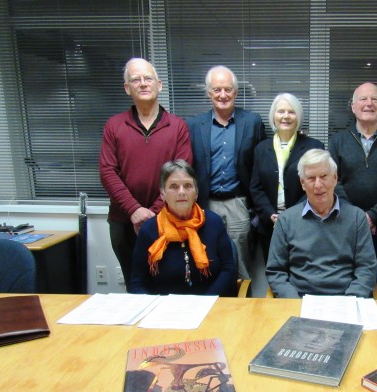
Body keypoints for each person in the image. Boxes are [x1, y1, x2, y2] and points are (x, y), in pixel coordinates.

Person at [100, 57, 193, 288]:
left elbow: (180, 175)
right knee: (135, 283)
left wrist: (152, 213)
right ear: (127, 88)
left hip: (167, 219)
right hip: (123, 221)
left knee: (169, 281)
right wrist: (134, 210)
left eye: (148, 78)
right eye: (136, 79)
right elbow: (107, 171)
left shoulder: (177, 126)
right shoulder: (114, 125)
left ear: (159, 85)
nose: (143, 83)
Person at [328, 82, 377, 297]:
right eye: (363, 99)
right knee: (347, 279)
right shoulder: (338, 141)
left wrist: (372, 216)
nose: (368, 104)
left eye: (374, 100)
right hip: (345, 220)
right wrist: (357, 215)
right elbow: (334, 181)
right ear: (353, 107)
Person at [187, 65, 266, 280]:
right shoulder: (194, 125)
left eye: (228, 89)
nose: (223, 95)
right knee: (207, 264)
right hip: (204, 204)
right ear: (208, 93)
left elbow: (261, 166)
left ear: (236, 92)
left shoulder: (252, 122)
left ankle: (244, 311)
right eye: (217, 90)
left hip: (238, 204)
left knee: (241, 268)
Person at [266, 149, 377, 299]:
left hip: (345, 301)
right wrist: (293, 303)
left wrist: (349, 302)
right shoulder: (286, 220)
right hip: (299, 301)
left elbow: (366, 269)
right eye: (311, 178)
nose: (318, 185)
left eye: (324, 176)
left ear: (335, 178)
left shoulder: (357, 218)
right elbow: (276, 271)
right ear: (303, 183)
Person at [130, 160, 237, 296]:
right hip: (164, 309)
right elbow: (137, 283)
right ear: (162, 194)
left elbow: (227, 269)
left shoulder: (214, 223)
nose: (181, 192)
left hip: (209, 305)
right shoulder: (149, 230)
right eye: (174, 186)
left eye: (187, 186)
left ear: (196, 193)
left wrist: (205, 302)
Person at [250, 93, 324, 261]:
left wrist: (290, 215)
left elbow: (316, 186)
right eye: (281, 111)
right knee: (275, 273)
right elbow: (256, 188)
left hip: (304, 222)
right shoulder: (261, 149)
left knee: (304, 271)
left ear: (298, 116)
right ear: (273, 116)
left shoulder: (314, 147)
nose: (285, 116)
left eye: (291, 112)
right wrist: (271, 215)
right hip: (269, 224)